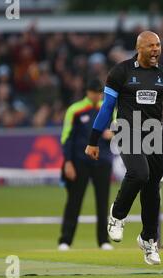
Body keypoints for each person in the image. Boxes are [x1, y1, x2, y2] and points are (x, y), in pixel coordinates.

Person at [85, 31, 163, 265]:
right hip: (127, 130)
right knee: (139, 173)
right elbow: (106, 108)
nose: (156, 49)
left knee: (152, 189)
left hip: (154, 135)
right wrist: (93, 141)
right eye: (150, 46)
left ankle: (148, 239)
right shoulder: (121, 72)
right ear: (139, 48)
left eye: (158, 45)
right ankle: (117, 215)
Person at [58, 79, 114, 251]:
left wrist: (113, 132)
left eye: (100, 92)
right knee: (74, 201)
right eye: (94, 92)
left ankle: (103, 241)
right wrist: (67, 162)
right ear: (87, 92)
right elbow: (66, 138)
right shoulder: (75, 110)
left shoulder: (108, 108)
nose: (97, 95)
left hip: (102, 161)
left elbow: (119, 127)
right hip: (79, 162)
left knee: (102, 202)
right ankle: (65, 240)